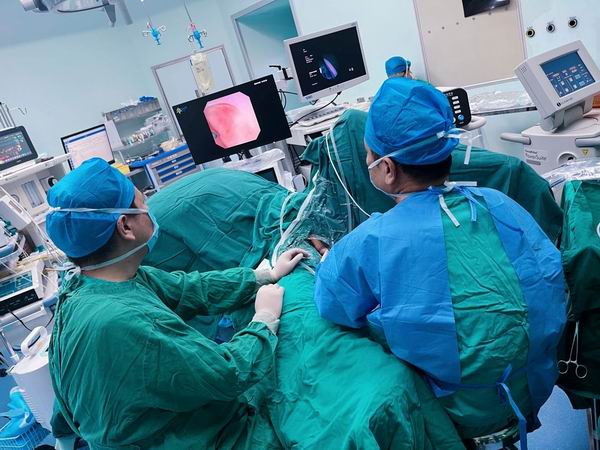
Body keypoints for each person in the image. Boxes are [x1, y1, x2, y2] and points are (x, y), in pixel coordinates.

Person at [314, 77, 566, 443]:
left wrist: (329, 260)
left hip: (454, 413)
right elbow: (548, 280)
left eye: (369, 155)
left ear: (387, 169)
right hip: (531, 388)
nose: (367, 162)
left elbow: (332, 305)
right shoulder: (499, 203)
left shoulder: (373, 239)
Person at [46, 158, 307, 449]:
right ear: (125, 226)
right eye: (143, 205)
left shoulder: (94, 286)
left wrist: (260, 277)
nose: (150, 211)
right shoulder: (124, 322)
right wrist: (264, 320)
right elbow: (227, 373)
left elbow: (190, 289)